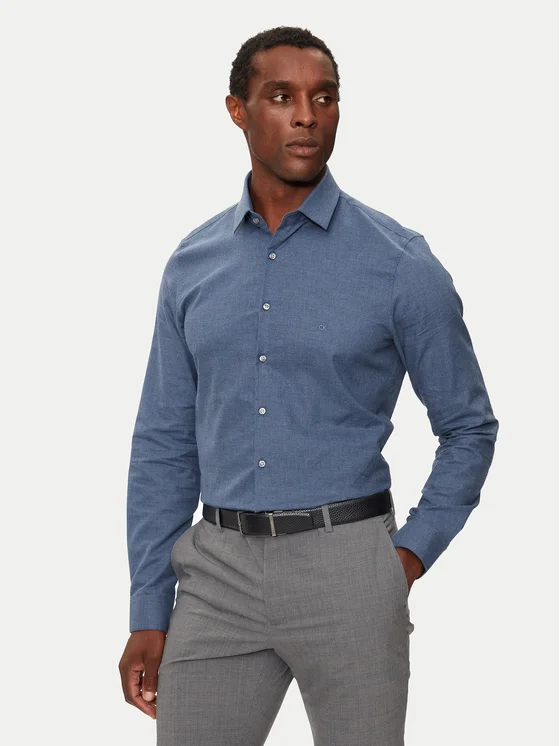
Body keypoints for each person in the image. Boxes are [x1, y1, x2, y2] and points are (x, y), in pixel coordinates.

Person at [119, 25, 499, 745]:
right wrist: (148, 608)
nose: (306, 116)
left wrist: (407, 556)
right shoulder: (192, 264)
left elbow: (469, 427)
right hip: (216, 574)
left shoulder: (400, 263)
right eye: (281, 97)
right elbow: (164, 442)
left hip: (348, 567)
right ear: (237, 111)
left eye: (324, 98)